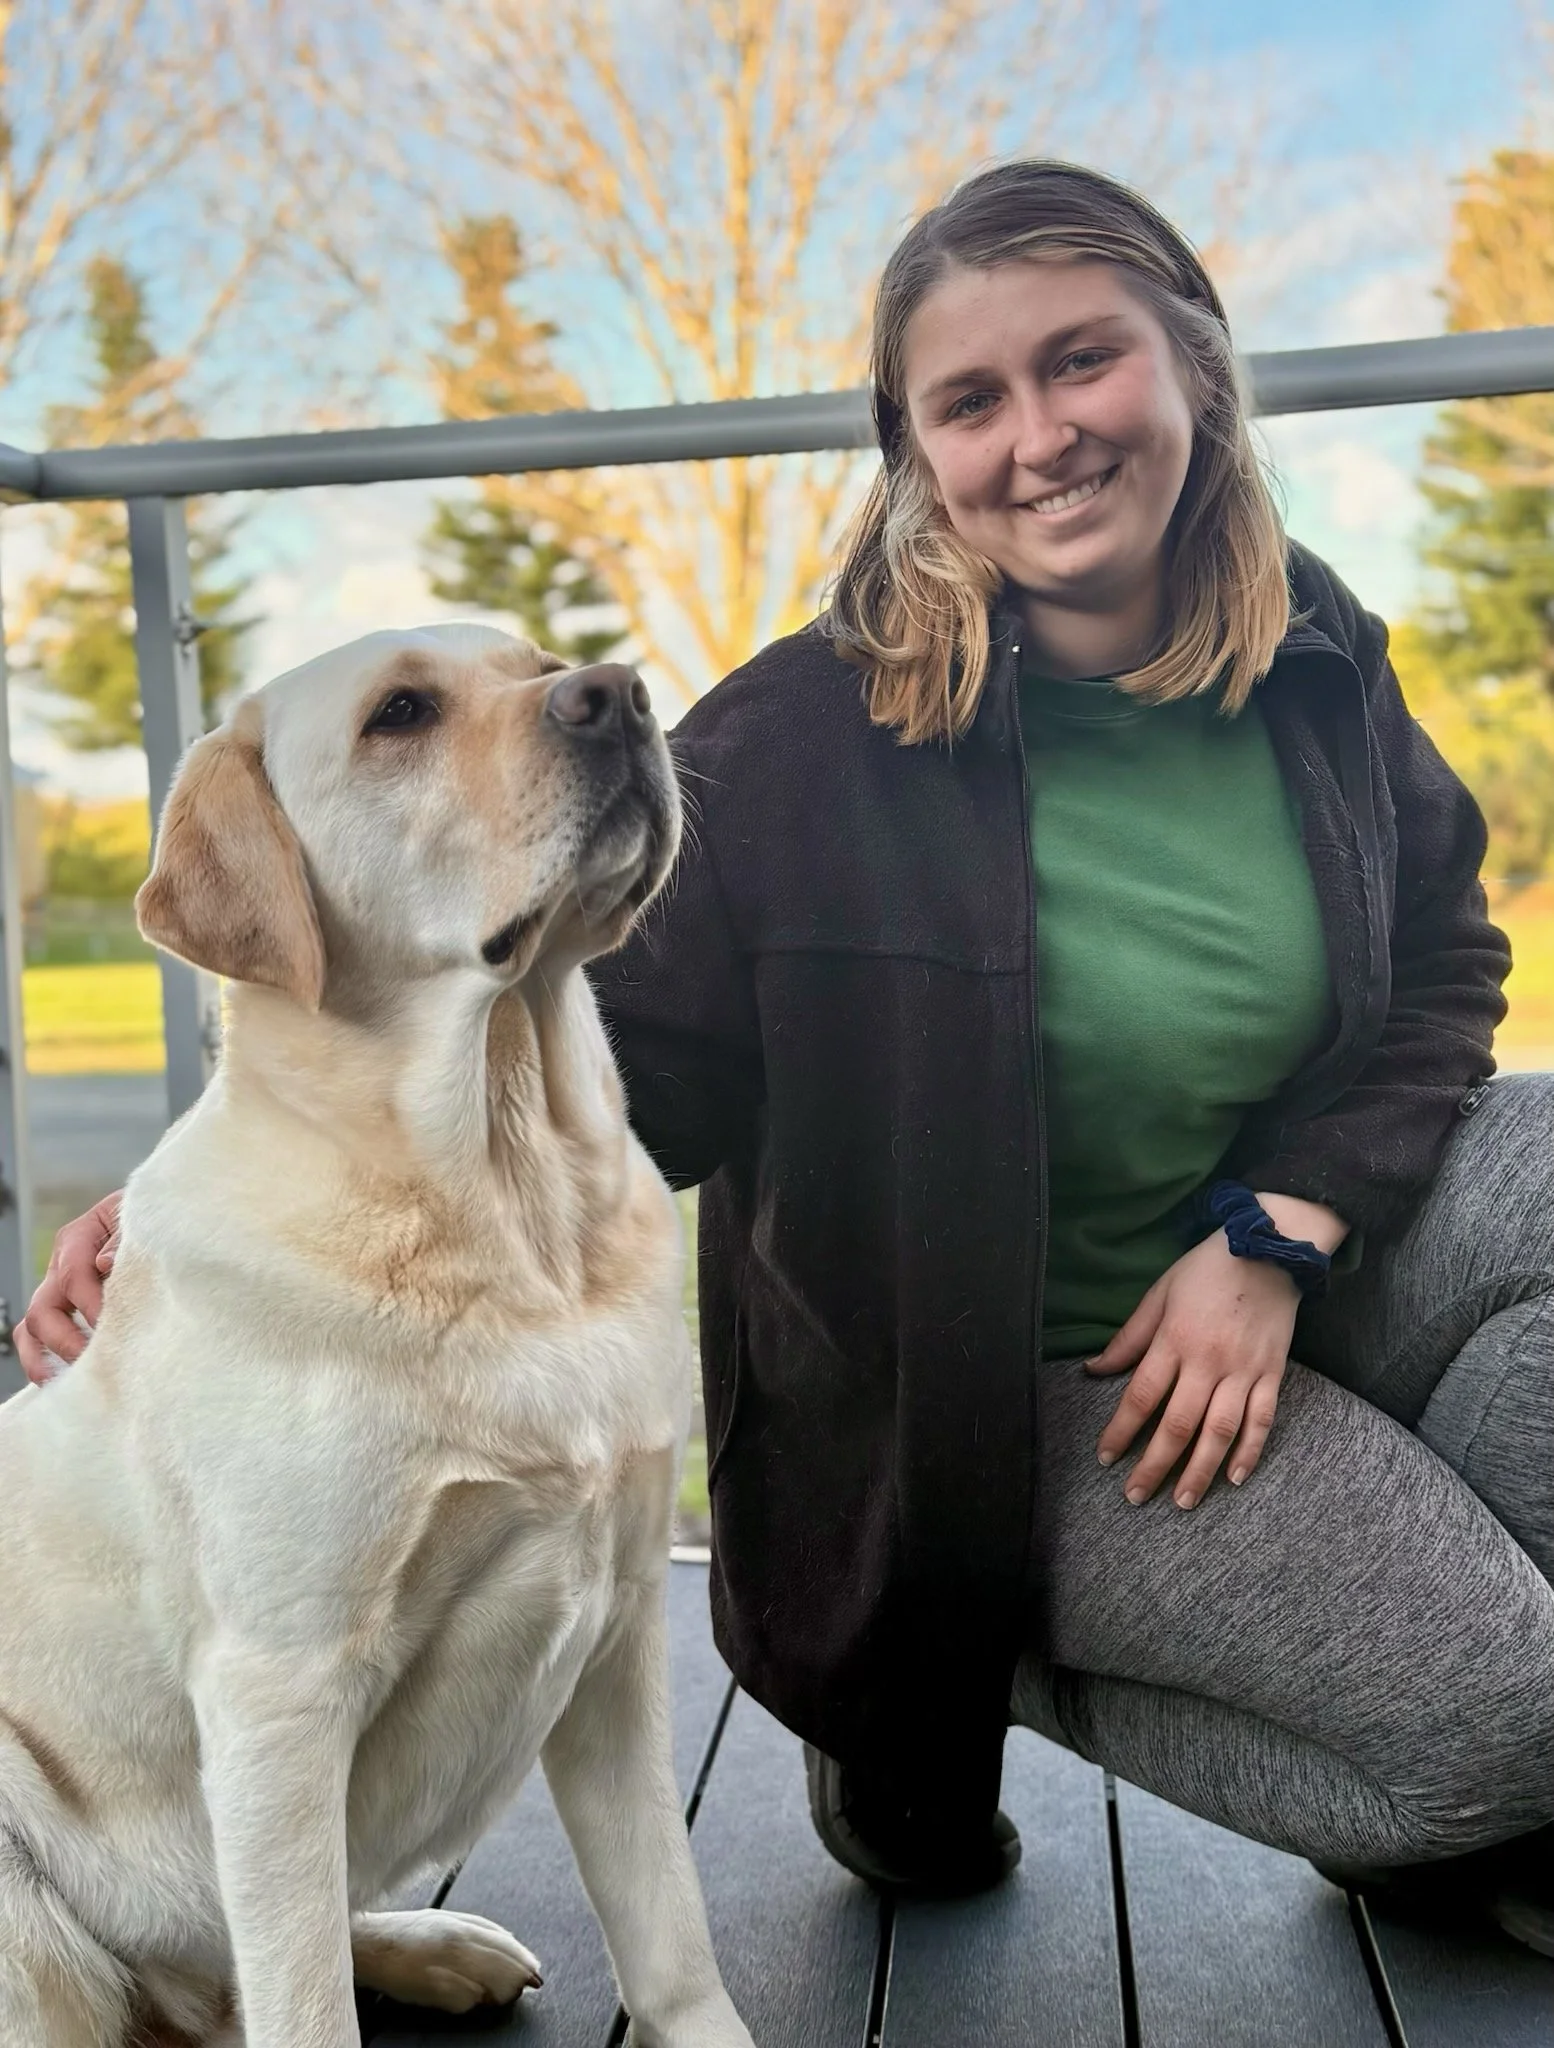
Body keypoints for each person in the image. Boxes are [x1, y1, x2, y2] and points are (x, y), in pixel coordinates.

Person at [25, 159, 1554, 1952]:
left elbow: (1446, 957)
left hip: (1261, 1279)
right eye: (968, 401)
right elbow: (576, 1066)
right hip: (993, 1402)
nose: (1039, 436)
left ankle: (1466, 1755)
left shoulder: (1308, 644)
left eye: (1084, 362)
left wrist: (1274, 1231)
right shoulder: (790, 751)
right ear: (913, 452)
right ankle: (944, 1676)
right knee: (1506, 1715)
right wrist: (180, 1212)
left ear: (1193, 369)